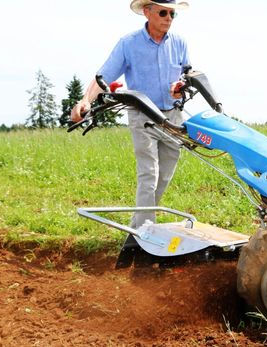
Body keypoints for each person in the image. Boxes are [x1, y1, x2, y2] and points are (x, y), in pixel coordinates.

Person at [71, 0, 191, 267]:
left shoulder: (180, 43)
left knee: (163, 179)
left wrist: (180, 87)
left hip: (172, 118)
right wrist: (85, 101)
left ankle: (133, 239)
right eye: (163, 12)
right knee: (149, 175)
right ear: (147, 12)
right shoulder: (129, 43)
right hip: (143, 117)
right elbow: (103, 77)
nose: (168, 17)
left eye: (172, 13)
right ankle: (147, 245)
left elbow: (187, 74)